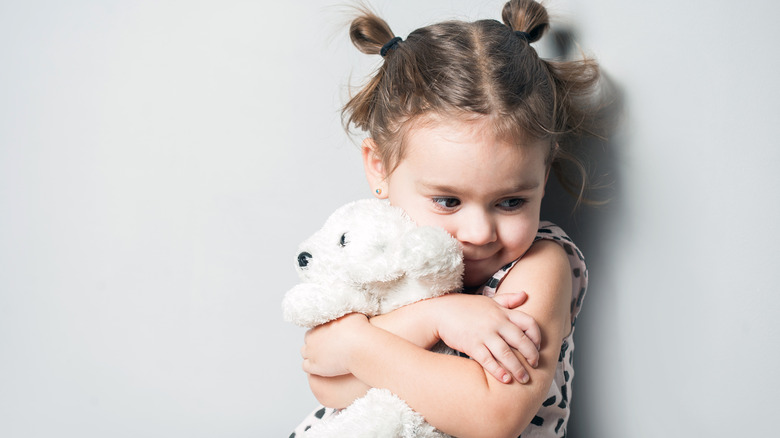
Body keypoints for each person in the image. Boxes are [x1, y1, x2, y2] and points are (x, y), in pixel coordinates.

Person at [290, 0, 600, 436]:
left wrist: (358, 343)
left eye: (510, 202)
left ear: (542, 177)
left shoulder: (539, 267)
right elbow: (326, 378)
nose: (478, 234)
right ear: (379, 168)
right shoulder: (379, 254)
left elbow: (493, 417)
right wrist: (439, 317)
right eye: (448, 202)